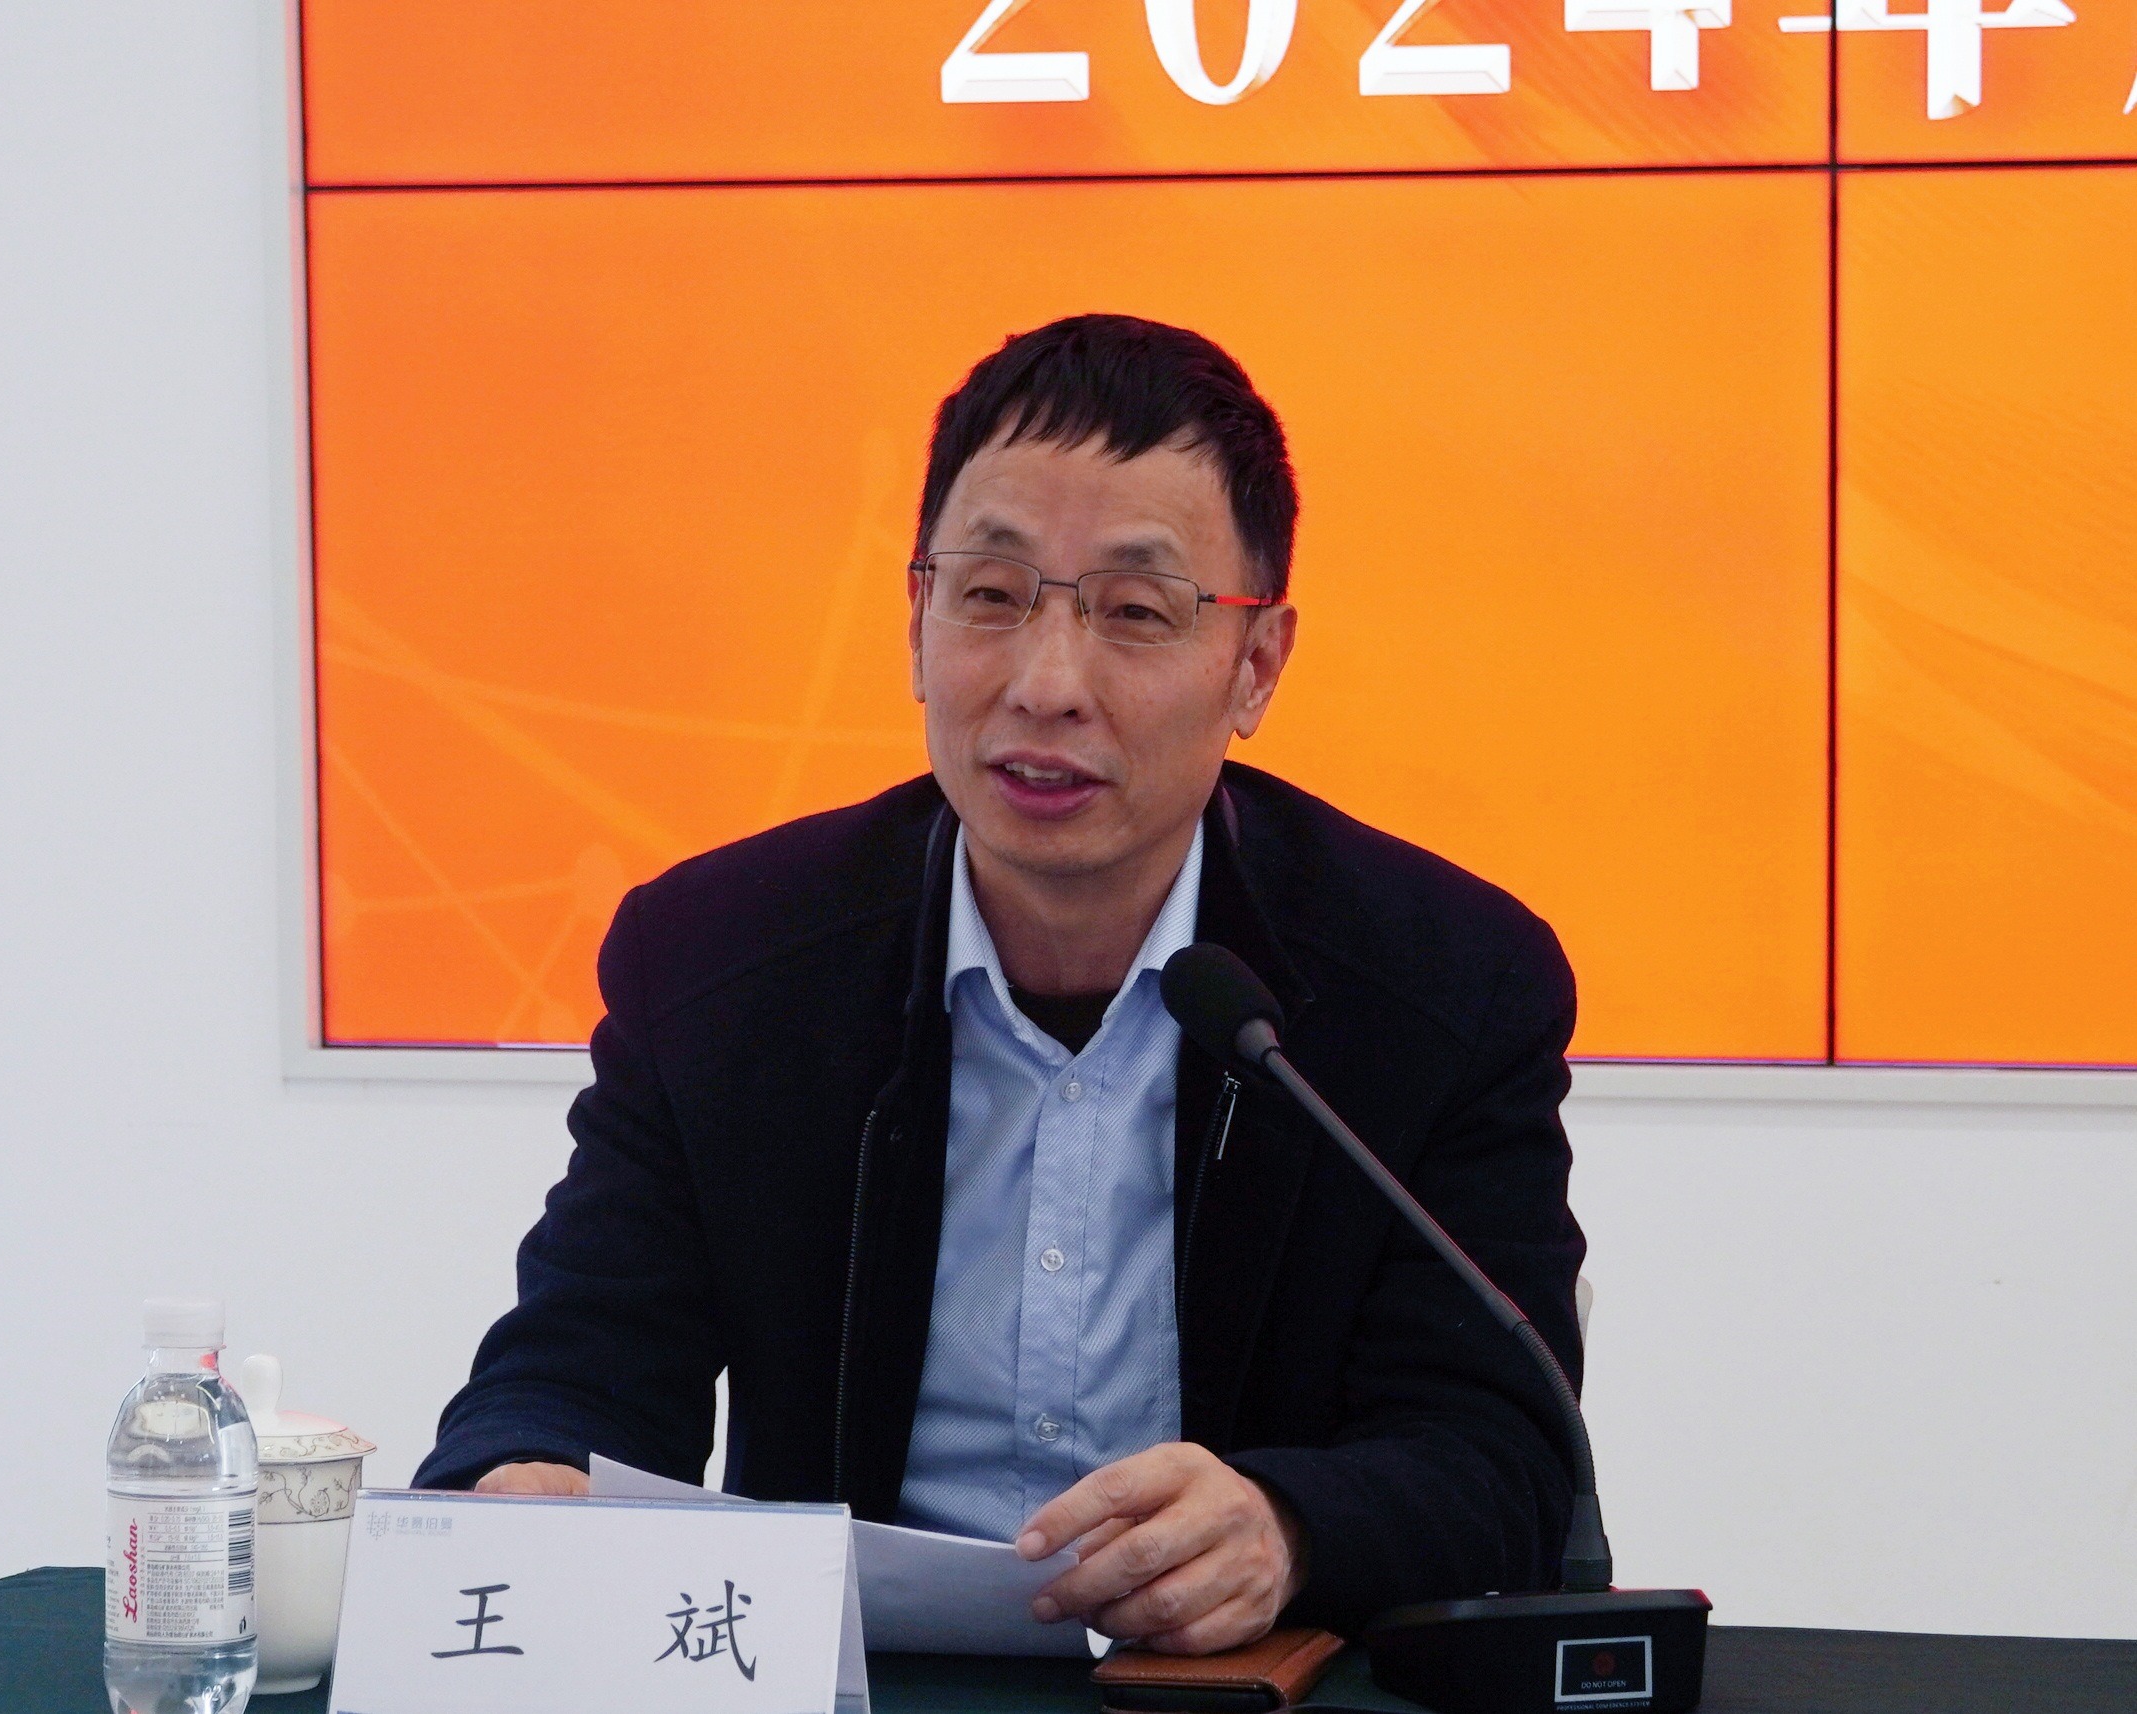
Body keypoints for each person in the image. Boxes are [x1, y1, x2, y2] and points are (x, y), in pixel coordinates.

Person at [414, 313, 1588, 1653]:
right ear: (917, 621)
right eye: (990, 595)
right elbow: (579, 1363)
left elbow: (1500, 1456)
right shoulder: (720, 966)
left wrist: (1289, 1523)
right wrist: (527, 1478)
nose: (1046, 684)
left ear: (1255, 664)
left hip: (1222, 1687)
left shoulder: (1443, 986)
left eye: (1135, 612)